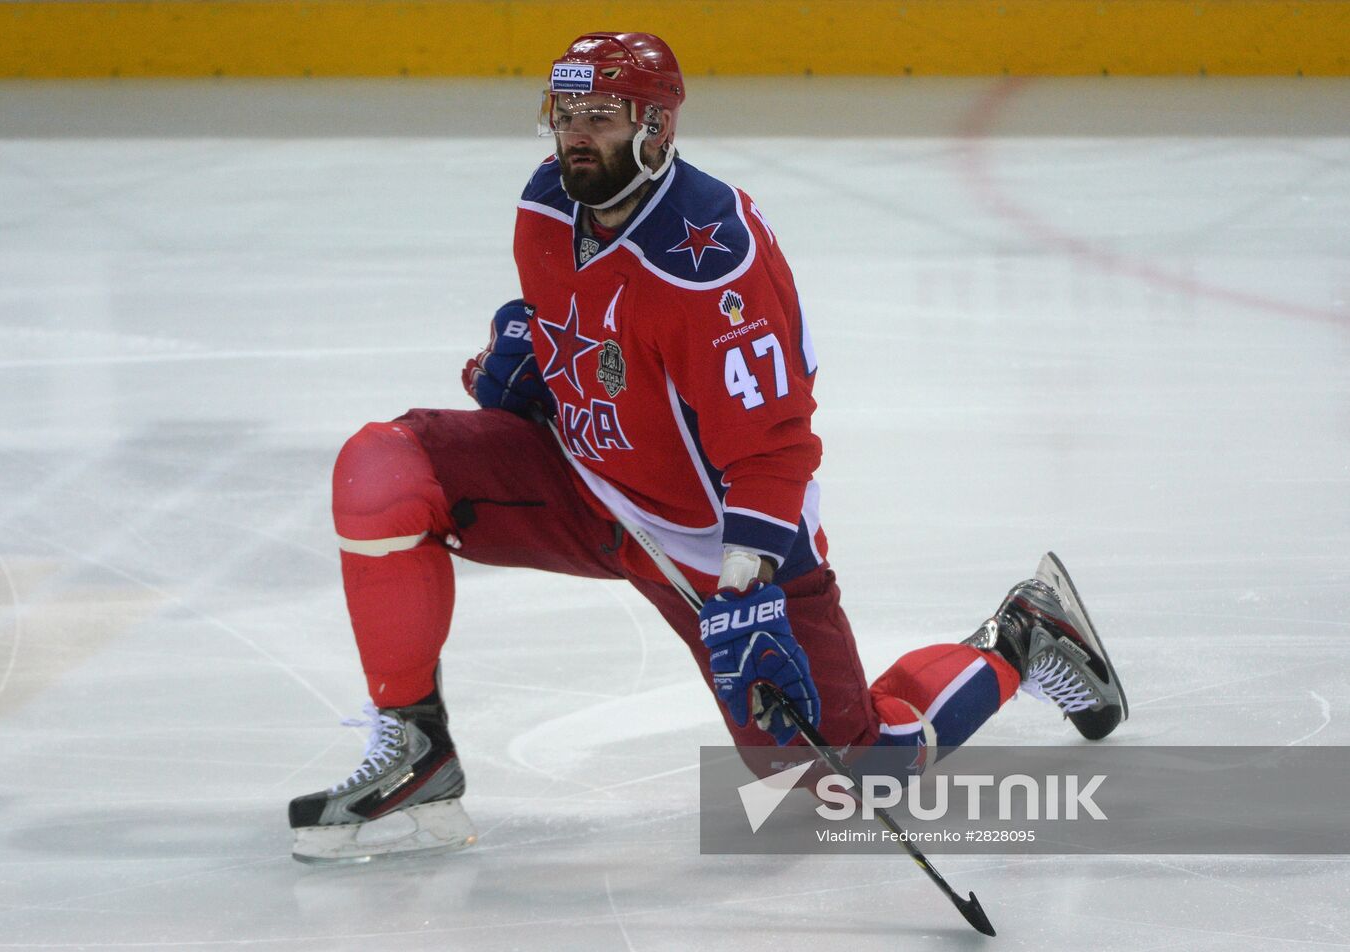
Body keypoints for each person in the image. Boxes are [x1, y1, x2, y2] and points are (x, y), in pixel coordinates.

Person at [286, 31, 1128, 864]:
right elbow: (588, 324)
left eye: (603, 117)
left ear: (657, 127)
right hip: (587, 485)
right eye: (566, 113)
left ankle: (1025, 632)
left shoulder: (711, 262)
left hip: (715, 542)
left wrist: (743, 590)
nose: (577, 135)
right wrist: (536, 356)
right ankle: (416, 754)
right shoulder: (547, 201)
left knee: (845, 784)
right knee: (382, 470)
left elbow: (773, 448)